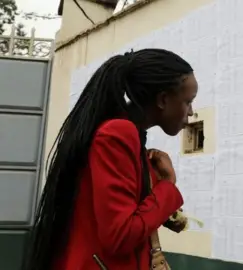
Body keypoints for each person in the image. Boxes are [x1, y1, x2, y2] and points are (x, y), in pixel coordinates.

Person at [23, 49, 197, 270]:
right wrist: (167, 185)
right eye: (188, 102)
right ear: (163, 99)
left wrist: (155, 179)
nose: (191, 112)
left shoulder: (130, 138)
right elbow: (120, 235)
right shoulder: (117, 134)